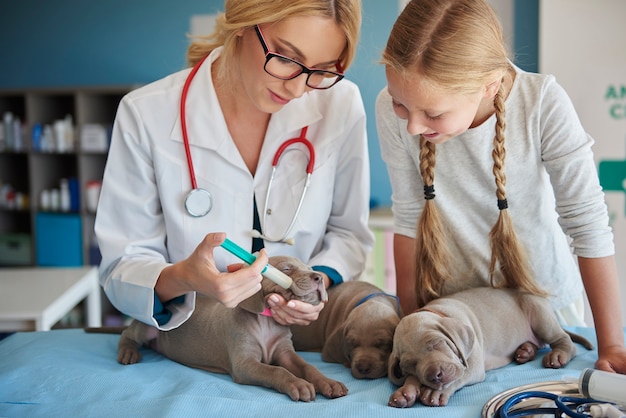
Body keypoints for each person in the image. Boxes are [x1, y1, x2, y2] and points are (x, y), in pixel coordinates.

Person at [375, 0, 626, 374]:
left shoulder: (542, 103)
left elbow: (587, 224)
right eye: (400, 104)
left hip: (546, 311)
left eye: (433, 113)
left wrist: (612, 345)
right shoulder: (392, 110)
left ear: (489, 86)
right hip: (461, 320)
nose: (412, 127)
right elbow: (410, 217)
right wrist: (411, 322)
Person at [95, 0, 373, 330]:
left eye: (322, 69)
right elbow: (123, 267)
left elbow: (348, 234)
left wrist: (314, 286)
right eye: (285, 58)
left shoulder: (340, 103)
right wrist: (184, 278)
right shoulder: (146, 113)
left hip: (299, 340)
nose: (298, 89)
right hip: (196, 341)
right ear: (241, 24)